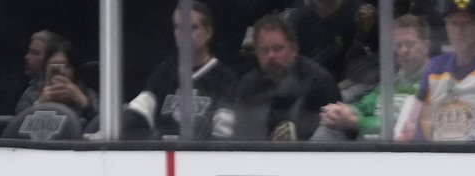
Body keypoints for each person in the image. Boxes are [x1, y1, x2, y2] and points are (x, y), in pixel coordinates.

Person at [398, 0, 475, 142]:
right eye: (454, 23)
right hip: (437, 157)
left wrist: (468, 146)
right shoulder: (434, 68)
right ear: (446, 26)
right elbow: (420, 126)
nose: (460, 30)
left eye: (467, 23)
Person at [124, 1, 237, 140]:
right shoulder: (164, 72)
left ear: (208, 32)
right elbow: (138, 112)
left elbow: (223, 133)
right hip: (162, 153)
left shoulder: (224, 77)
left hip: (204, 157)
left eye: (192, 28)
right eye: (179, 28)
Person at [318, 14, 430, 139]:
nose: (404, 50)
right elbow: (366, 105)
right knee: (330, 123)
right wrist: (342, 111)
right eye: (399, 45)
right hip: (366, 148)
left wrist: (355, 121)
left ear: (425, 46)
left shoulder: (433, 82)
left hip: (398, 151)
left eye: (410, 44)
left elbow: (403, 124)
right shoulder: (392, 80)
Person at [231, 14, 341, 140]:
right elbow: (242, 134)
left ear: (294, 49)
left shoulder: (320, 81)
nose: (271, 56)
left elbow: (335, 133)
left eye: (278, 49)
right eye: (264, 50)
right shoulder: (248, 84)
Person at [13, 30, 67, 115]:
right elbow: (21, 124)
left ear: (51, 59)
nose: (27, 57)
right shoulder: (30, 95)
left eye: (35, 53)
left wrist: (84, 102)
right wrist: (39, 105)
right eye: (29, 51)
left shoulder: (81, 90)